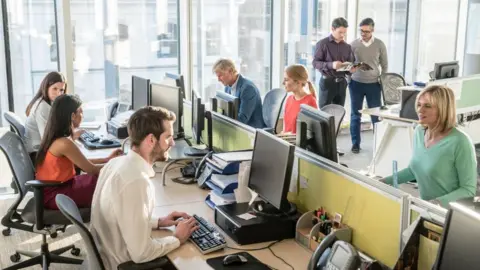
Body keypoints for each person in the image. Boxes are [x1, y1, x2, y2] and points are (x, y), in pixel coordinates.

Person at [90, 106, 199, 269]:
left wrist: (158, 222)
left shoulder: (116, 163)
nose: (173, 142)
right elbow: (141, 253)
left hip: (106, 255)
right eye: (168, 137)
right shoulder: (136, 181)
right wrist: (177, 238)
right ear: (151, 140)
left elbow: (121, 217)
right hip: (123, 264)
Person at [382, 85, 477, 207]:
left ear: (443, 109)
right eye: (419, 104)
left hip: (448, 213)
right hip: (426, 207)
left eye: (427, 106)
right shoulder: (419, 132)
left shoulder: (460, 142)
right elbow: (414, 169)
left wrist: (436, 203)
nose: (420, 110)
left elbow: (468, 190)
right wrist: (384, 181)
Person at [35, 94, 122, 210]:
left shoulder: (56, 138)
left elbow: (79, 162)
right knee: (110, 182)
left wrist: (107, 160)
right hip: (57, 195)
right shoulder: (64, 143)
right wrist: (119, 165)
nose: (83, 116)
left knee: (101, 179)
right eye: (81, 112)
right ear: (72, 116)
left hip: (57, 189)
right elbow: (91, 169)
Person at [349, 18, 388, 154]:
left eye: (366, 31)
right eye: (361, 31)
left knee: (376, 116)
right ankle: (355, 144)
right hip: (356, 84)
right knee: (355, 115)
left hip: (373, 85)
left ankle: (378, 144)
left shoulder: (379, 45)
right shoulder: (353, 45)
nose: (363, 33)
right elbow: (349, 65)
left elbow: (385, 65)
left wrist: (382, 80)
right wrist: (350, 78)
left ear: (372, 30)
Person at [312, 17, 355, 109]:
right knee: (325, 114)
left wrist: (351, 70)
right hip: (327, 82)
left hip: (342, 83)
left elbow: (348, 66)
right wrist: (331, 65)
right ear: (332, 29)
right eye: (340, 32)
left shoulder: (347, 47)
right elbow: (315, 63)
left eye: (344, 32)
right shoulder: (322, 44)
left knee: (339, 113)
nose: (343, 35)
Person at [24, 72, 70, 156]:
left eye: (61, 90)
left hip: (40, 152)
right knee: (76, 154)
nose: (59, 93)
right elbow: (47, 140)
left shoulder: (48, 104)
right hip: (37, 155)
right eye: (54, 89)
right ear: (46, 87)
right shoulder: (42, 106)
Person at [213, 58, 265, 128]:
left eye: (220, 75)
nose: (218, 79)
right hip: (238, 128)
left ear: (231, 71)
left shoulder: (248, 89)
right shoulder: (228, 86)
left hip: (252, 131)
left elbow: (242, 120)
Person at [282, 64, 318, 134]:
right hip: (287, 141)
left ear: (298, 82)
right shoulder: (289, 99)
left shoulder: (310, 102)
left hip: (297, 144)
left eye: (286, 80)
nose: (283, 83)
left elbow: (311, 134)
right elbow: (285, 129)